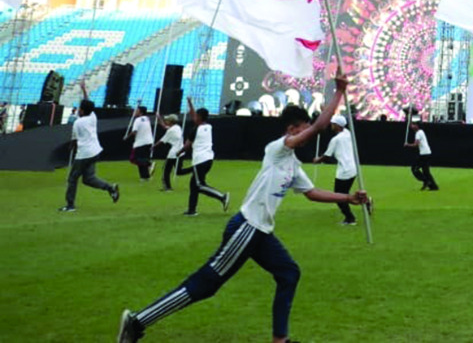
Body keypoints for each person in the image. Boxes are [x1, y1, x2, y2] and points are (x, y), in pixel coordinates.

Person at [116, 75, 369, 343]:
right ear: (292, 130)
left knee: (289, 273)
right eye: (303, 129)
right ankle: (138, 321)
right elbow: (319, 126)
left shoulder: (292, 164)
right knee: (208, 283)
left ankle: (280, 340)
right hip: (247, 228)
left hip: (260, 233)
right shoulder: (278, 149)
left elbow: (311, 193)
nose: (307, 135)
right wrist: (339, 93)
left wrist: (348, 198)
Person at [61, 97, 120, 211]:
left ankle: (70, 205)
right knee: (88, 179)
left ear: (82, 110)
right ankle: (110, 188)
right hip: (95, 151)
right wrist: (84, 91)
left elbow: (74, 140)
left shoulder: (77, 122)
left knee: (72, 178)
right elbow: (89, 104)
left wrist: (70, 147)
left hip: (84, 153)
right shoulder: (93, 117)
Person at [179, 99, 229, 216]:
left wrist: (178, 153)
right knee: (194, 186)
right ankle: (191, 210)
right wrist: (190, 103)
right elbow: (194, 117)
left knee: (199, 185)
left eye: (196, 115)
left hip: (199, 160)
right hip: (208, 159)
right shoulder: (209, 127)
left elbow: (187, 146)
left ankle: (222, 197)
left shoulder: (194, 130)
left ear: (200, 117)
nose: (194, 117)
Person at [313, 114, 358, 225]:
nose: (331, 126)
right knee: (344, 194)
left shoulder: (336, 139)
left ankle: (350, 219)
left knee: (339, 197)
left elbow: (327, 156)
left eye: (333, 124)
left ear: (337, 125)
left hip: (344, 171)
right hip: (353, 169)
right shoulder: (347, 133)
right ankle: (364, 201)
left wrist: (317, 160)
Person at [403, 117, 439, 190]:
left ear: (417, 126)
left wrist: (407, 145)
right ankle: (433, 186)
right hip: (427, 153)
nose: (412, 126)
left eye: (414, 125)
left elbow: (416, 144)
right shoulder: (421, 132)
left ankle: (426, 180)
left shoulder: (418, 133)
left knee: (414, 168)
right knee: (426, 171)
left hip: (424, 154)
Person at [126, 105, 155, 182]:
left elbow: (134, 131)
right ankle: (144, 177)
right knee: (141, 159)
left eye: (137, 110)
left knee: (134, 158)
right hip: (149, 141)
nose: (135, 112)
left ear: (141, 112)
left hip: (141, 142)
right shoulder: (147, 118)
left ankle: (149, 164)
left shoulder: (138, 120)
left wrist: (127, 137)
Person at [154, 114, 182, 192]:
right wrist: (159, 118)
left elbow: (162, 140)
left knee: (166, 170)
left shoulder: (171, 130)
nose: (166, 121)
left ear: (171, 121)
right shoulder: (177, 127)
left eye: (167, 120)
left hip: (173, 153)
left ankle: (167, 187)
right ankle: (193, 169)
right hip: (180, 151)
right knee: (178, 171)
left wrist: (153, 147)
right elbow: (164, 126)